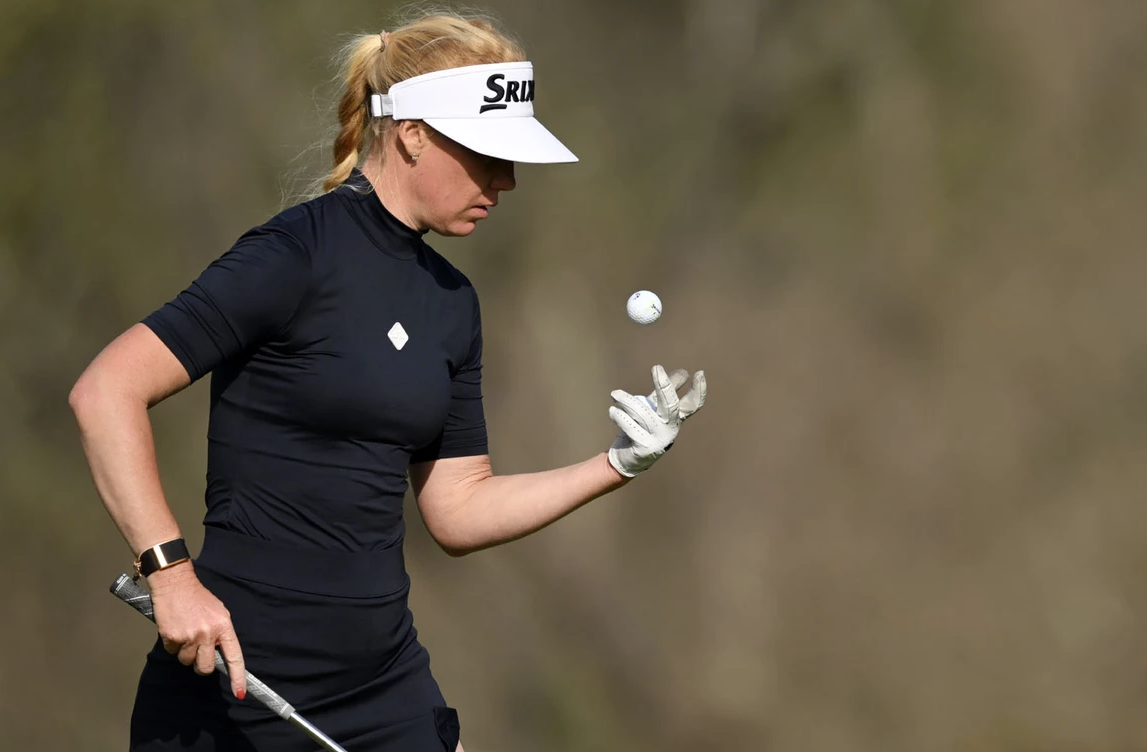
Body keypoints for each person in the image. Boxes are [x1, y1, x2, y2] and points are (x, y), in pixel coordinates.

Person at [69, 10, 706, 752]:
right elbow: (106, 391)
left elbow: (457, 509)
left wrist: (616, 464)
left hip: (383, 682)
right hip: (240, 679)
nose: (506, 181)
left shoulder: (452, 303)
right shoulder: (293, 255)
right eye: (488, 156)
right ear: (412, 134)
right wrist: (171, 576)